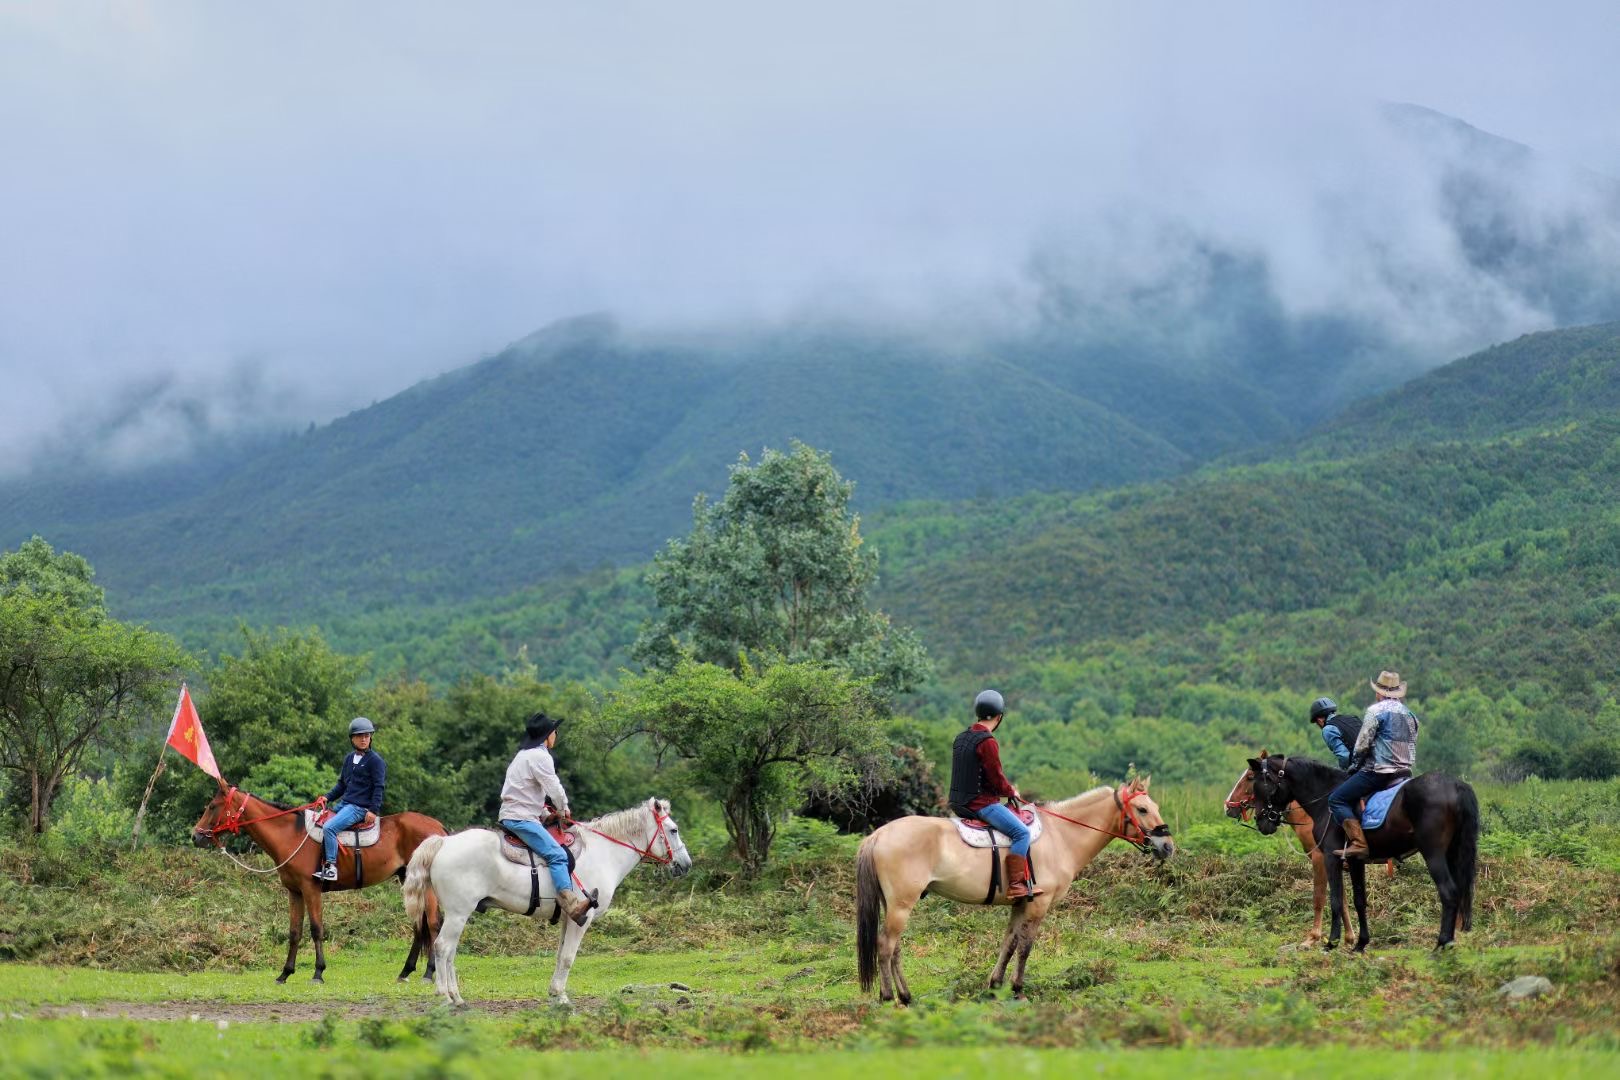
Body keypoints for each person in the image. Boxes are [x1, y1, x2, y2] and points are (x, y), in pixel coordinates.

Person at [499, 711, 594, 926]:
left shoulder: (521, 756)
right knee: (558, 855)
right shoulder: (541, 757)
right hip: (522, 819)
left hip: (513, 814)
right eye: (555, 732)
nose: (556, 735)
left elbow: (523, 793)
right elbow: (555, 789)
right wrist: (564, 808)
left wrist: (546, 814)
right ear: (548, 735)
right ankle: (571, 905)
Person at [947, 689, 1043, 901]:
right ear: (999, 717)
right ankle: (1017, 885)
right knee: (1021, 833)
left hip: (957, 802)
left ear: (978, 713)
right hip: (980, 804)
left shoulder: (961, 738)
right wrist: (1011, 791)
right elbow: (996, 777)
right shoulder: (987, 741)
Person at [1327, 670, 1420, 858]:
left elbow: (1362, 745)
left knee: (1336, 799)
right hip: (1404, 773)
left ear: (1380, 692)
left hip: (1378, 772)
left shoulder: (1375, 711)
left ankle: (1359, 843)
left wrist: (1354, 765)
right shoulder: (1411, 715)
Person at [314, 717, 386, 883]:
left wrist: (373, 810)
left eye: (367, 736)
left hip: (359, 808)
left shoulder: (376, 761)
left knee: (329, 828)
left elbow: (379, 787)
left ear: (370, 738)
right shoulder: (349, 759)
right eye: (360, 736)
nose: (363, 739)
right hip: (345, 804)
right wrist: (327, 797)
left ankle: (331, 868)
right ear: (352, 738)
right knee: (318, 821)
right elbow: (341, 784)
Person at [1308, 697, 1362, 771]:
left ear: (1319, 720)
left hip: (1362, 768)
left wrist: (1340, 771)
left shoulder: (1328, 729)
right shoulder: (1353, 718)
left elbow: (1344, 756)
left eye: (1317, 723)